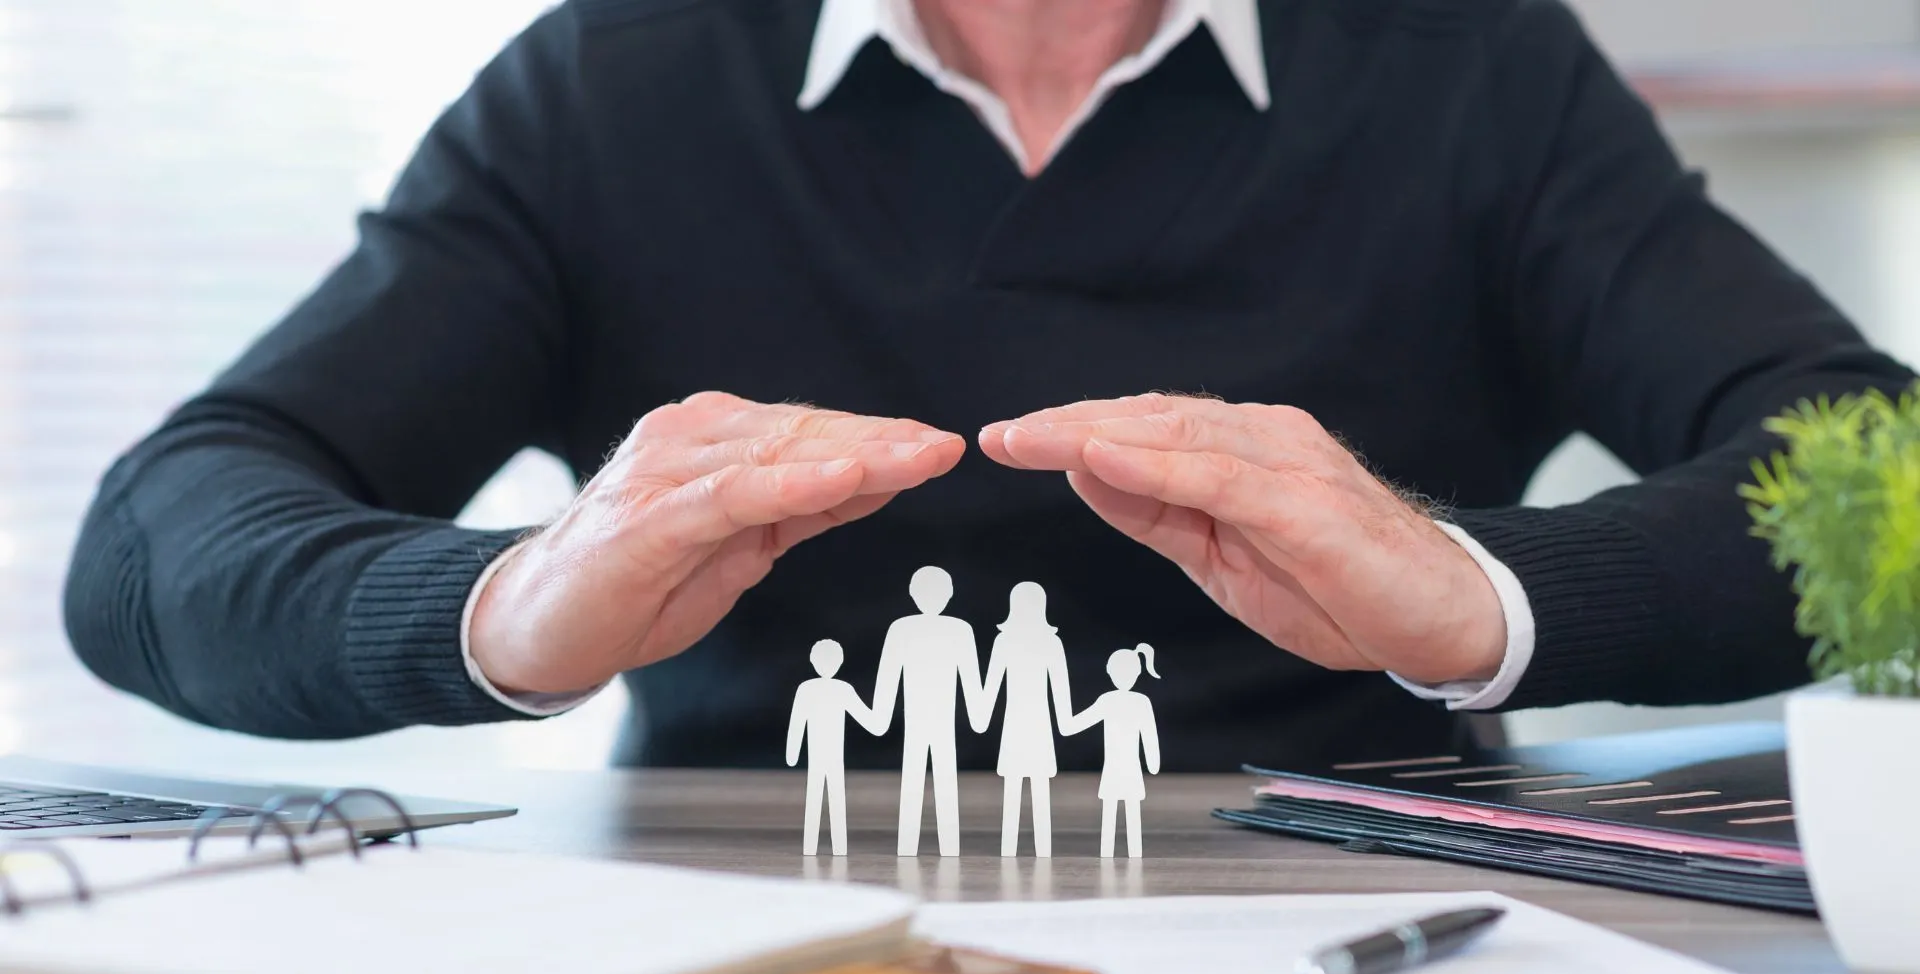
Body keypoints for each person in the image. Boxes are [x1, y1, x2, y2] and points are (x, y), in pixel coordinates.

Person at [63, 0, 1919, 773]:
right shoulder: (619, 80)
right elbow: (162, 535)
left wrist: (1494, 594)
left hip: (1370, 954)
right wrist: (496, 602)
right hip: (730, 962)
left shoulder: (1466, 67)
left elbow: (1877, 460)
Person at [870, 567, 983, 856]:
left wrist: (879, 716)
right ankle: (939, 847)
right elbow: (970, 679)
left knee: (919, 779)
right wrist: (978, 717)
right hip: (933, 719)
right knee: (939, 779)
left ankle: (917, 846)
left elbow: (887, 677)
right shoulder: (958, 630)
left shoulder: (902, 628)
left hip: (926, 719)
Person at [977, 582, 1073, 857]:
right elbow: (993, 683)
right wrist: (1066, 721)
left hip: (1022, 724)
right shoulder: (1044, 642)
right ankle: (1025, 849)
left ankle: (1022, 849)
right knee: (1026, 788)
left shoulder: (1008, 641)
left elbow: (991, 686)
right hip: (1030, 724)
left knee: (1021, 788)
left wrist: (981, 718)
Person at [1062, 644, 1163, 858]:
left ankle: (1114, 854)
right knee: (1126, 814)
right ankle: (1122, 853)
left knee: (1115, 815)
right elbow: (1150, 737)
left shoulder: (1112, 701)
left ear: (1110, 671)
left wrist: (1063, 716)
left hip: (1118, 770)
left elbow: (1074, 725)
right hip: (1126, 770)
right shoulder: (1137, 702)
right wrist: (1153, 763)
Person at [785, 639, 881, 857]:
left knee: (830, 799)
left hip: (833, 757)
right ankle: (816, 847)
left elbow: (865, 717)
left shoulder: (835, 689)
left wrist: (878, 722)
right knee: (819, 798)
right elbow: (798, 722)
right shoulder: (812, 689)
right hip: (821, 756)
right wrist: (792, 751)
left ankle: (835, 848)